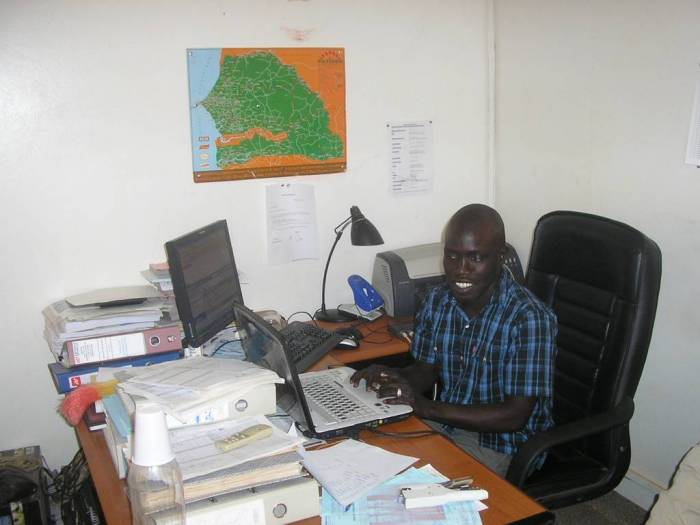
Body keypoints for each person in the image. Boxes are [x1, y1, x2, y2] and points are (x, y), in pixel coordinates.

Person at [351, 203, 557, 476]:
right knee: (366, 452)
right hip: (447, 422)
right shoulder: (438, 300)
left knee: (414, 485)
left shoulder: (529, 318)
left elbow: (514, 416)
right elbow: (425, 372)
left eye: (475, 258)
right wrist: (390, 377)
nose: (461, 269)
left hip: (503, 443)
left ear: (500, 256)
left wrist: (425, 407)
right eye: (452, 256)